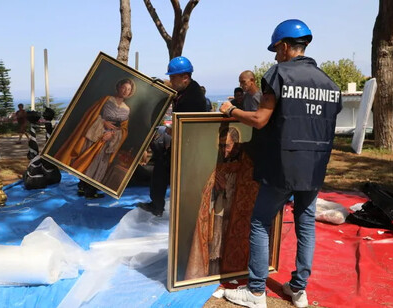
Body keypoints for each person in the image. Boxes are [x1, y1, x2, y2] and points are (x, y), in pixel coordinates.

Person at [220, 19, 342, 308]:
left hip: (283, 165)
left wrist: (232, 109)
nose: (275, 56)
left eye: (276, 49)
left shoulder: (279, 74)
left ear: (285, 46)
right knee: (306, 224)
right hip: (315, 167)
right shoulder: (329, 83)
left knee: (261, 223)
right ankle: (298, 290)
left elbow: (261, 119)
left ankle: (256, 291)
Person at [184, 125, 259, 280]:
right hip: (218, 210)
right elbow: (202, 189)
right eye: (221, 145)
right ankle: (214, 272)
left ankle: (232, 272)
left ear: (237, 144)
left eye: (227, 146)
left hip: (234, 214)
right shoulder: (215, 163)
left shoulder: (246, 165)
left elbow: (247, 191)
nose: (224, 150)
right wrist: (212, 187)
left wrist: (227, 188)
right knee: (216, 243)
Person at [138, 56, 207, 217]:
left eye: (173, 77)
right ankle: (157, 205)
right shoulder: (188, 87)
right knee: (161, 171)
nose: (170, 80)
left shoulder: (192, 98)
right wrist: (160, 83)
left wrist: (169, 131)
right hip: (181, 143)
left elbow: (186, 127)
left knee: (169, 174)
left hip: (188, 146)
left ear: (185, 77)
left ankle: (180, 212)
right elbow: (171, 85)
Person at [54, 78, 135, 199]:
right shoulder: (106, 100)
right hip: (96, 134)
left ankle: (90, 190)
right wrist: (103, 122)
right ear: (118, 87)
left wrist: (112, 134)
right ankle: (83, 188)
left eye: (128, 89)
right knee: (88, 161)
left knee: (100, 163)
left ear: (130, 92)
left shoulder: (127, 108)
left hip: (110, 139)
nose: (125, 91)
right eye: (123, 87)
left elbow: (123, 129)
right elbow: (91, 115)